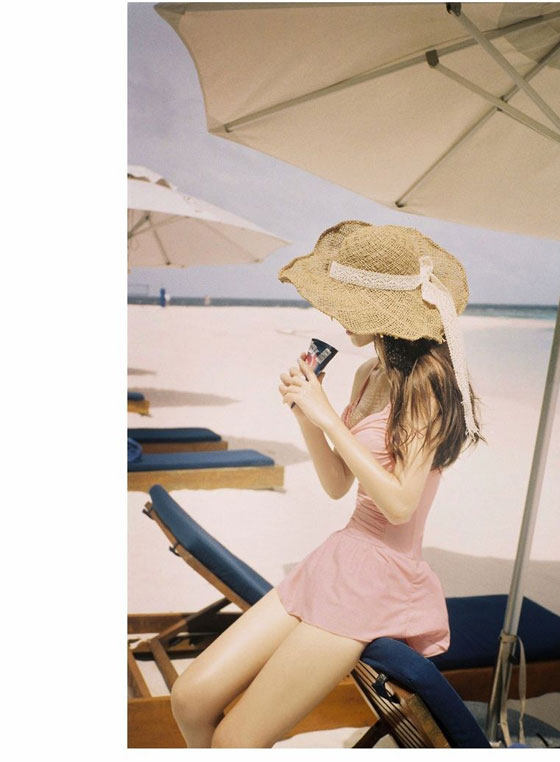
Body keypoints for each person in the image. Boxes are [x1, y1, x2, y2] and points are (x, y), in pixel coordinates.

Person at [169, 221, 483, 747]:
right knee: (189, 698)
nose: (335, 314)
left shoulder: (427, 384)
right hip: (340, 555)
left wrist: (329, 419)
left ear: (379, 311)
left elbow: (401, 505)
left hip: (379, 579)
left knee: (233, 743)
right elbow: (338, 484)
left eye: (346, 303)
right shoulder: (369, 374)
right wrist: (307, 417)